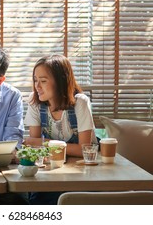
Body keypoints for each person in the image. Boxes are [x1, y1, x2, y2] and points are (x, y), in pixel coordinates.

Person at [23, 54, 97, 204]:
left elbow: (84, 150)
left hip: (82, 171)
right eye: (35, 80)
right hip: (52, 170)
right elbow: (34, 146)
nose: (37, 86)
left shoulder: (80, 103)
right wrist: (40, 144)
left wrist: (48, 143)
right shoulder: (35, 102)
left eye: (43, 81)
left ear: (61, 81)